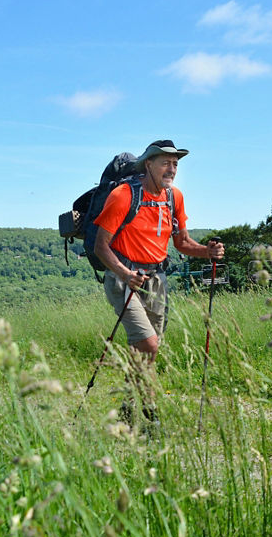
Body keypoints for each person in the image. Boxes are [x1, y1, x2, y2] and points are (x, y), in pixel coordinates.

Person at [93, 140, 224, 424]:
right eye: (165, 162)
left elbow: (183, 242)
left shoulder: (174, 197)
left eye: (175, 163)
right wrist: (125, 274)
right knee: (149, 345)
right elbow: (101, 247)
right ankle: (151, 416)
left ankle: (128, 407)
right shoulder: (123, 195)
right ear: (148, 164)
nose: (172, 168)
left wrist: (207, 251)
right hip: (123, 278)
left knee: (146, 350)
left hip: (157, 280)